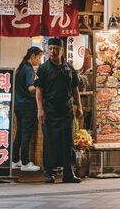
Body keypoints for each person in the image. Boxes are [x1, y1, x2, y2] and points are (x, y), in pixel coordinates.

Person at [35, 37, 83, 183]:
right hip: (49, 110)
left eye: (56, 49)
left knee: (67, 142)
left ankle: (68, 173)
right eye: (50, 49)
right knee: (50, 142)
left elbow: (75, 89)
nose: (53, 51)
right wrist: (40, 109)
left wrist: (79, 106)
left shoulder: (69, 68)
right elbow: (39, 90)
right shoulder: (43, 68)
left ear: (62, 51)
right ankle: (49, 173)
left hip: (66, 110)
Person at [12, 46, 43, 172]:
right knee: (26, 134)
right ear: (33, 56)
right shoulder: (29, 69)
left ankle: (14, 160)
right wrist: (41, 87)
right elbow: (30, 88)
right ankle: (25, 162)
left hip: (18, 105)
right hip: (28, 106)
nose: (39, 61)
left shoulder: (21, 67)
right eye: (39, 57)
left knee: (19, 133)